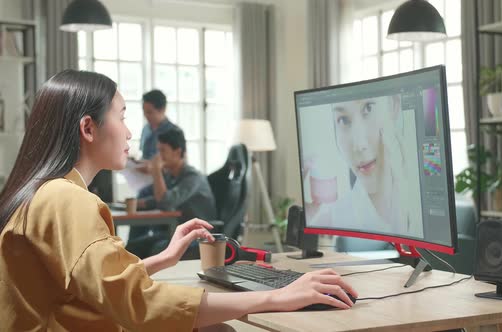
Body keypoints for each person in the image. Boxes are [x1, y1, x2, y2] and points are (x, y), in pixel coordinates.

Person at [0, 70, 357, 331]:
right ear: (88, 128)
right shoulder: (66, 199)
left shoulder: (44, 193)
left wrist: (161, 259)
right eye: (122, 117)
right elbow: (137, 304)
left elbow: (87, 285)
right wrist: (274, 297)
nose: (128, 132)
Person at [303, 95, 424, 238]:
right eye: (343, 120)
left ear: (394, 106)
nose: (359, 145)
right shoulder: (330, 220)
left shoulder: (423, 207)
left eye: (368, 108)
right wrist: (309, 226)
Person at [126, 128, 217, 258]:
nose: (158, 156)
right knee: (133, 247)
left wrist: (156, 170)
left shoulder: (192, 177)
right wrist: (138, 204)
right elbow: (159, 199)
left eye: (163, 150)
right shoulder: (171, 175)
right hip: (176, 232)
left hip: (197, 236)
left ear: (178, 152)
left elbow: (165, 202)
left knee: (157, 249)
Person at [139, 89, 180, 161]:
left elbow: (179, 165)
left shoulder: (175, 132)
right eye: (144, 111)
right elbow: (144, 155)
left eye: (149, 112)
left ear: (162, 109)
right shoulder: (146, 129)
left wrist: (151, 167)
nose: (145, 115)